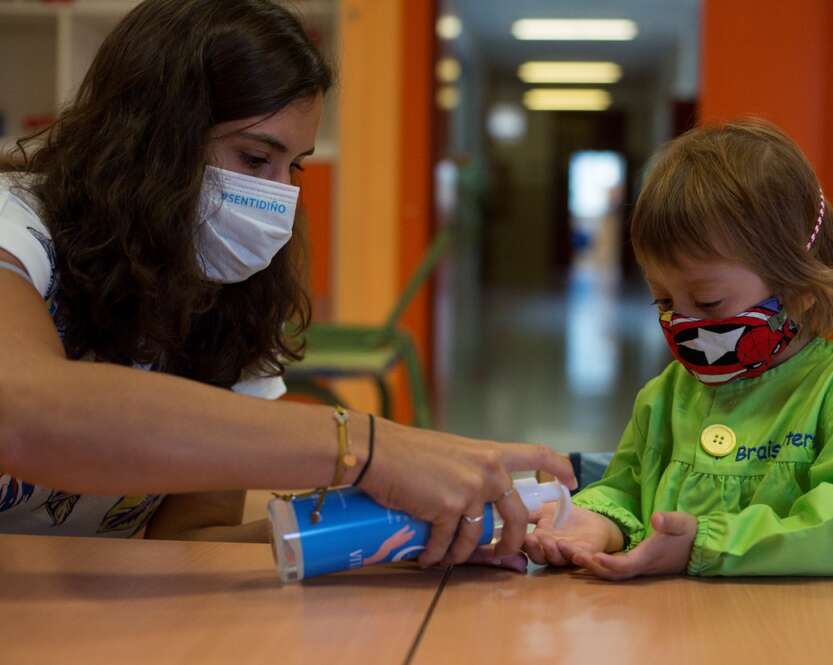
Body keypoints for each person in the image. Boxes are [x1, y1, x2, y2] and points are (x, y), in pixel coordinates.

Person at [0, 0, 574, 570]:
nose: (279, 197)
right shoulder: (14, 225)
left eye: (294, 167)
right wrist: (369, 448)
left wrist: (401, 532)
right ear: (149, 137)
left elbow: (192, 535)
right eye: (254, 158)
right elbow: (23, 412)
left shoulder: (225, 291)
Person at [524, 119, 833, 579]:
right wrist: (597, 520)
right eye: (665, 301)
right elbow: (627, 490)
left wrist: (708, 543)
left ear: (799, 289)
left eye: (709, 302)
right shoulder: (667, 394)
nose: (684, 323)